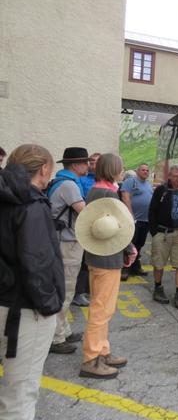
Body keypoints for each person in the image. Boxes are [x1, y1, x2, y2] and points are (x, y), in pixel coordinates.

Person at [0, 144, 65, 420]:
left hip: (5, 301)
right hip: (26, 312)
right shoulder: (31, 204)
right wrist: (50, 306)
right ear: (43, 169)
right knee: (20, 395)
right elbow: (35, 263)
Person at [78, 153, 135, 379]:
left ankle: (103, 351)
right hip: (107, 257)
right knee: (102, 309)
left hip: (98, 255)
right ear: (113, 169)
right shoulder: (107, 192)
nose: (122, 170)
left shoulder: (96, 189)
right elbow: (118, 227)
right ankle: (92, 359)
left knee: (103, 307)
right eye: (120, 167)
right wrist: (130, 249)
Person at [47, 147, 89, 354]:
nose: (88, 166)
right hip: (68, 243)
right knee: (65, 290)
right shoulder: (70, 186)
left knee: (64, 289)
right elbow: (86, 213)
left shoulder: (59, 181)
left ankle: (64, 330)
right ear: (75, 165)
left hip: (61, 241)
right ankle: (56, 338)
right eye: (85, 162)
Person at [148, 164, 178, 311]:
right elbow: (152, 211)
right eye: (175, 176)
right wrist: (155, 232)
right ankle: (158, 288)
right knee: (159, 262)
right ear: (170, 176)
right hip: (162, 233)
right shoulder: (161, 190)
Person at [73, 152, 101, 308]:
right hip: (86, 224)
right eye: (91, 162)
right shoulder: (81, 179)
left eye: (96, 162)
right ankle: (78, 293)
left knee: (95, 259)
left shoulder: (105, 181)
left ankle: (90, 290)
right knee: (83, 260)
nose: (93, 165)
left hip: (101, 225)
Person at [120, 163, 153, 280]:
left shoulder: (148, 184)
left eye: (147, 170)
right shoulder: (131, 182)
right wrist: (130, 214)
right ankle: (125, 268)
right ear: (137, 171)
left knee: (139, 244)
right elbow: (125, 196)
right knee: (130, 244)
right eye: (143, 170)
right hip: (134, 220)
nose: (145, 172)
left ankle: (135, 267)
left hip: (145, 220)